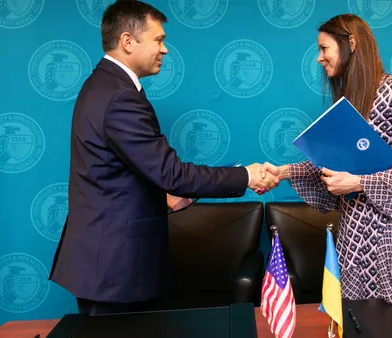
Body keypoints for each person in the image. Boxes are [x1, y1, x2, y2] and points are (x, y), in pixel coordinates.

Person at [48, 1, 279, 315]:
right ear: (127, 41)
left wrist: (165, 196)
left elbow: (120, 172)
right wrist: (248, 176)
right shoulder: (120, 97)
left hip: (104, 260)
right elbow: (173, 174)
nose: (165, 49)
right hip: (114, 268)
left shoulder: (103, 85)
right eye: (158, 39)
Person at [261, 14, 392, 304]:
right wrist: (284, 171)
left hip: (387, 232)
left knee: (385, 320)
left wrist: (358, 182)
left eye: (323, 48)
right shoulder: (348, 98)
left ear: (351, 43)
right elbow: (331, 161)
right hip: (350, 229)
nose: (319, 58)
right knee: (348, 314)